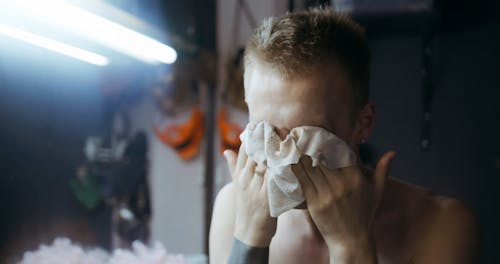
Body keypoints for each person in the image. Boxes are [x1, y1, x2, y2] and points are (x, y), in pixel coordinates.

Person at [209, 8, 477, 264]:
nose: (282, 159)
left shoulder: (439, 224)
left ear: (363, 123)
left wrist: (351, 246)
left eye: (305, 135)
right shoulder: (231, 209)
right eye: (264, 133)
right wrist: (249, 239)